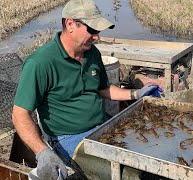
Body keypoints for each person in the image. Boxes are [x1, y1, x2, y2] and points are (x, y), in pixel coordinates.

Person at [11, 0, 162, 179]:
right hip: (68, 138)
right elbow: (19, 114)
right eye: (92, 30)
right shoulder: (40, 63)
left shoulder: (92, 53)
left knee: (148, 151)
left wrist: (135, 94)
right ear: (70, 24)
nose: (97, 37)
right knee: (125, 174)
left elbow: (103, 89)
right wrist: (42, 152)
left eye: (98, 31)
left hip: (102, 127)